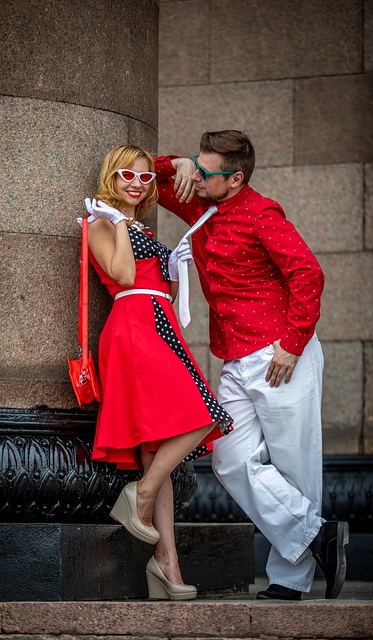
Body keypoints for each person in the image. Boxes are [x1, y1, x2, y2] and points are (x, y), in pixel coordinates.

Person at [153, 130, 349, 601]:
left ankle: (290, 580)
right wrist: (178, 163)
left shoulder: (262, 214)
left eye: (206, 172)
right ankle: (316, 534)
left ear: (235, 179)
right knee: (228, 457)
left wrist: (293, 344)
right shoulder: (202, 205)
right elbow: (147, 178)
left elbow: (308, 274)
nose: (197, 179)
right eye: (197, 166)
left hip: (280, 354)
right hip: (235, 358)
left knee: (293, 464)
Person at [83, 144, 233, 600]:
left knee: (157, 447)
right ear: (112, 176)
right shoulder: (99, 223)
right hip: (133, 325)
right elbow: (124, 276)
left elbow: (159, 284)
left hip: (159, 322)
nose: (137, 183)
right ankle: (142, 494)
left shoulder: (136, 225)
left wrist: (171, 264)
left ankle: (166, 563)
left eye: (145, 177)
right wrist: (120, 222)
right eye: (128, 175)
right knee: (206, 412)